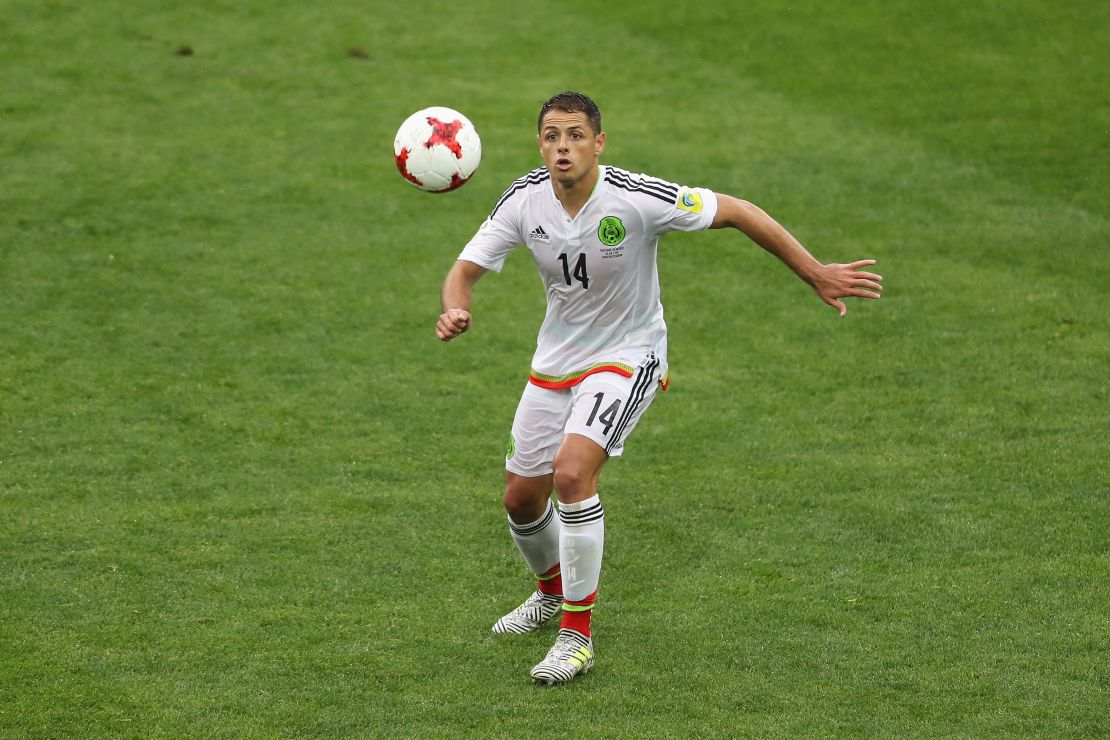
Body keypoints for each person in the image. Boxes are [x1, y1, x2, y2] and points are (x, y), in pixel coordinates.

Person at [434, 91, 882, 685]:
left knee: (572, 474)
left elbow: (740, 210)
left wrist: (814, 271)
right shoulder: (524, 200)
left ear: (599, 142)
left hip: (629, 355)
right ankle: (549, 595)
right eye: (550, 136)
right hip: (557, 359)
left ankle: (576, 637)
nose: (561, 146)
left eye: (574, 135)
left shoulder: (637, 198)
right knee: (520, 498)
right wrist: (454, 310)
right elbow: (464, 271)